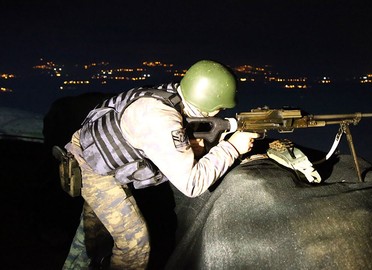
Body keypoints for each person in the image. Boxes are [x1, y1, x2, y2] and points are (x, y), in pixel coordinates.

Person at [61, 60, 259, 269]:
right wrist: (232, 148)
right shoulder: (162, 119)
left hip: (96, 152)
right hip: (93, 166)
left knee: (94, 231)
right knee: (134, 244)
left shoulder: (171, 94)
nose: (218, 113)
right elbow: (192, 185)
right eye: (219, 108)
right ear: (210, 107)